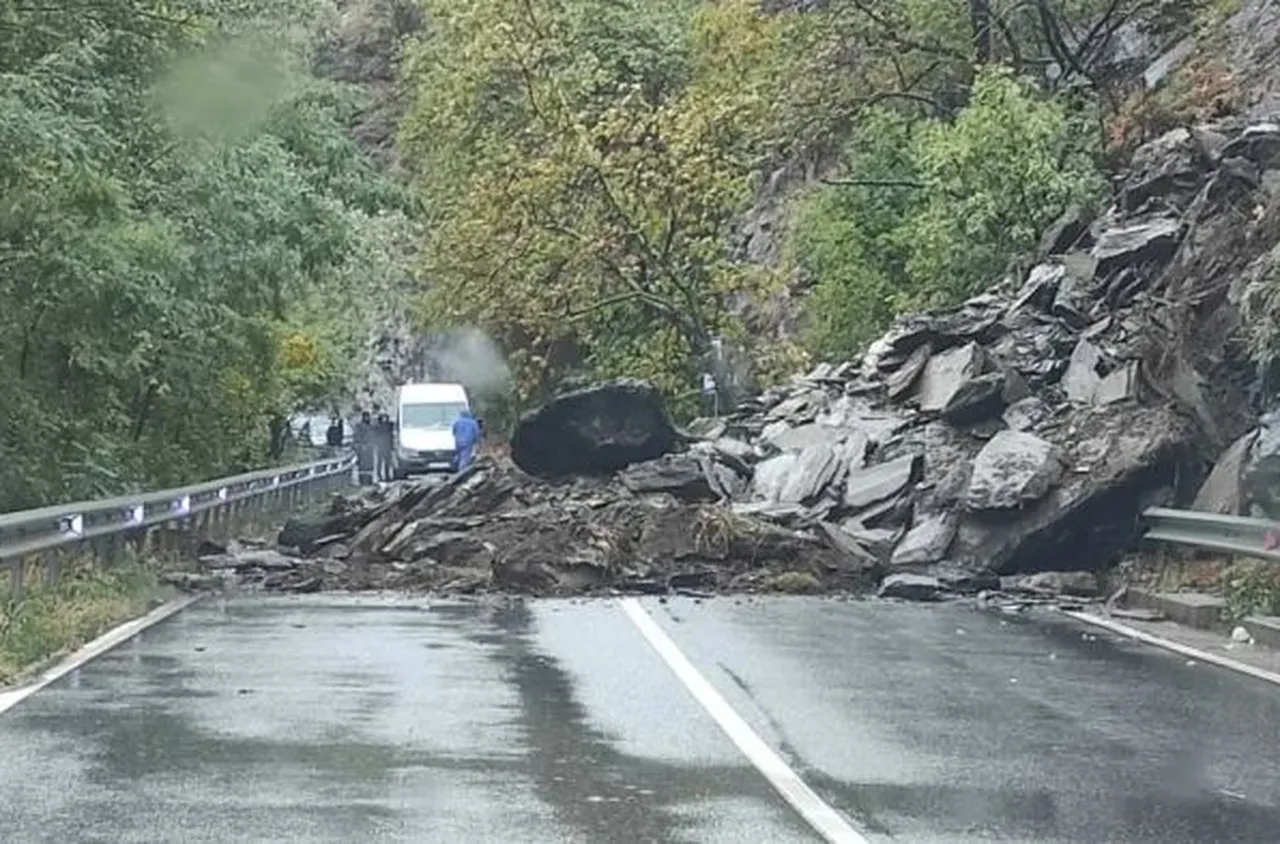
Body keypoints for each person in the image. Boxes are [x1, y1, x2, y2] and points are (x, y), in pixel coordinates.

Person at [451, 408, 480, 473]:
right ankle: (462, 471)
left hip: (458, 442)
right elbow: (476, 433)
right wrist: (476, 441)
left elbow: (453, 432)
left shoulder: (457, 422)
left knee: (459, 455)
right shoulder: (473, 423)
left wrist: (457, 437)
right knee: (465, 457)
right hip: (468, 442)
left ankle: (457, 465)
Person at [353, 410, 374, 485]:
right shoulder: (359, 427)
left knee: (370, 466)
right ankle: (362, 480)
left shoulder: (371, 427)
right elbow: (356, 437)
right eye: (366, 417)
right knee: (362, 466)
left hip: (370, 449)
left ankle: (369, 481)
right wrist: (359, 446)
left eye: (368, 417)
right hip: (362, 449)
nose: (367, 418)